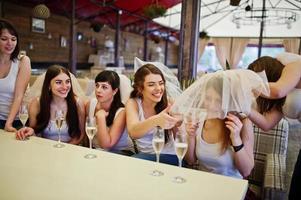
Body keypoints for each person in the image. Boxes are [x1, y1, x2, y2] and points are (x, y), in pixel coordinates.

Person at [247, 53, 301, 200]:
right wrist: (244, 106)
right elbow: (266, 124)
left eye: (258, 79)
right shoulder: (279, 97)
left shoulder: (295, 67)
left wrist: (245, 84)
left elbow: (277, 90)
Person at [182, 73, 254, 179]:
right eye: (207, 98)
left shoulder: (243, 123)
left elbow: (246, 171)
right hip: (203, 184)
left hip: (231, 187)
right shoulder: (199, 119)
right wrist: (191, 136)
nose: (211, 105)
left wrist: (236, 138)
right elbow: (190, 161)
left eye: (218, 100)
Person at [15, 65, 85, 145]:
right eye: (58, 82)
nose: (65, 87)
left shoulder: (78, 103)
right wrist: (30, 131)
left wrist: (64, 148)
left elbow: (80, 135)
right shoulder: (37, 103)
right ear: (48, 85)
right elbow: (35, 133)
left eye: (67, 81)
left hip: (71, 148)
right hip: (45, 148)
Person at [125, 63, 179, 165]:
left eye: (161, 83)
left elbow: (180, 137)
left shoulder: (169, 104)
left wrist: (179, 125)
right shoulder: (133, 103)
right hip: (144, 157)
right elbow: (133, 132)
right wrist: (157, 119)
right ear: (140, 88)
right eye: (151, 84)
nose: (158, 88)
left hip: (170, 156)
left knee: (132, 162)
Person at [86, 70, 134, 155]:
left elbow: (107, 145)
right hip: (96, 151)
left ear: (114, 91)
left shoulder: (121, 112)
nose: (98, 90)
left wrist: (101, 118)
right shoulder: (91, 104)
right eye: (97, 85)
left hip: (121, 153)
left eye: (104, 87)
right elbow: (86, 137)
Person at [0, 19, 31, 131]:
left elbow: (19, 96)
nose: (10, 43)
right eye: (4, 39)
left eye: (13, 39)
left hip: (16, 120)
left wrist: (8, 124)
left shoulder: (23, 61)